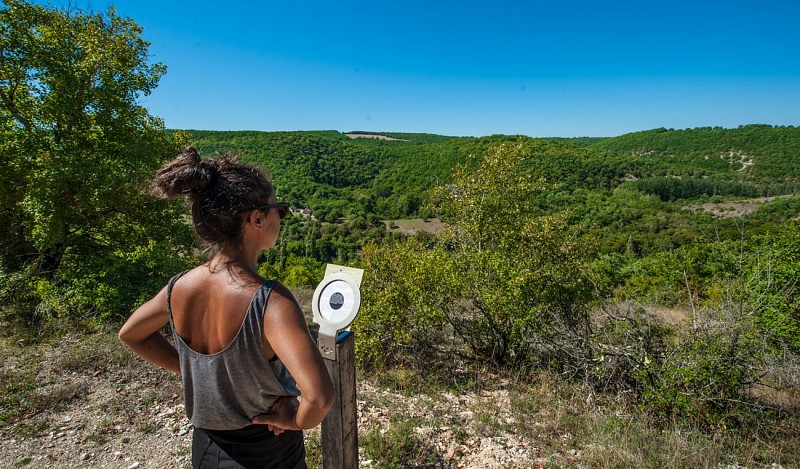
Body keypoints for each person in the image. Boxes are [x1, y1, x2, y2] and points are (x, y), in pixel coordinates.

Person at [119, 147, 334, 468]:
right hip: (268, 447)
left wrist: (194, 371)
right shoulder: (271, 301)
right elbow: (319, 398)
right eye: (280, 209)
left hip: (207, 446)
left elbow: (131, 334)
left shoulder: (179, 287)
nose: (282, 217)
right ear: (257, 218)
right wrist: (296, 420)